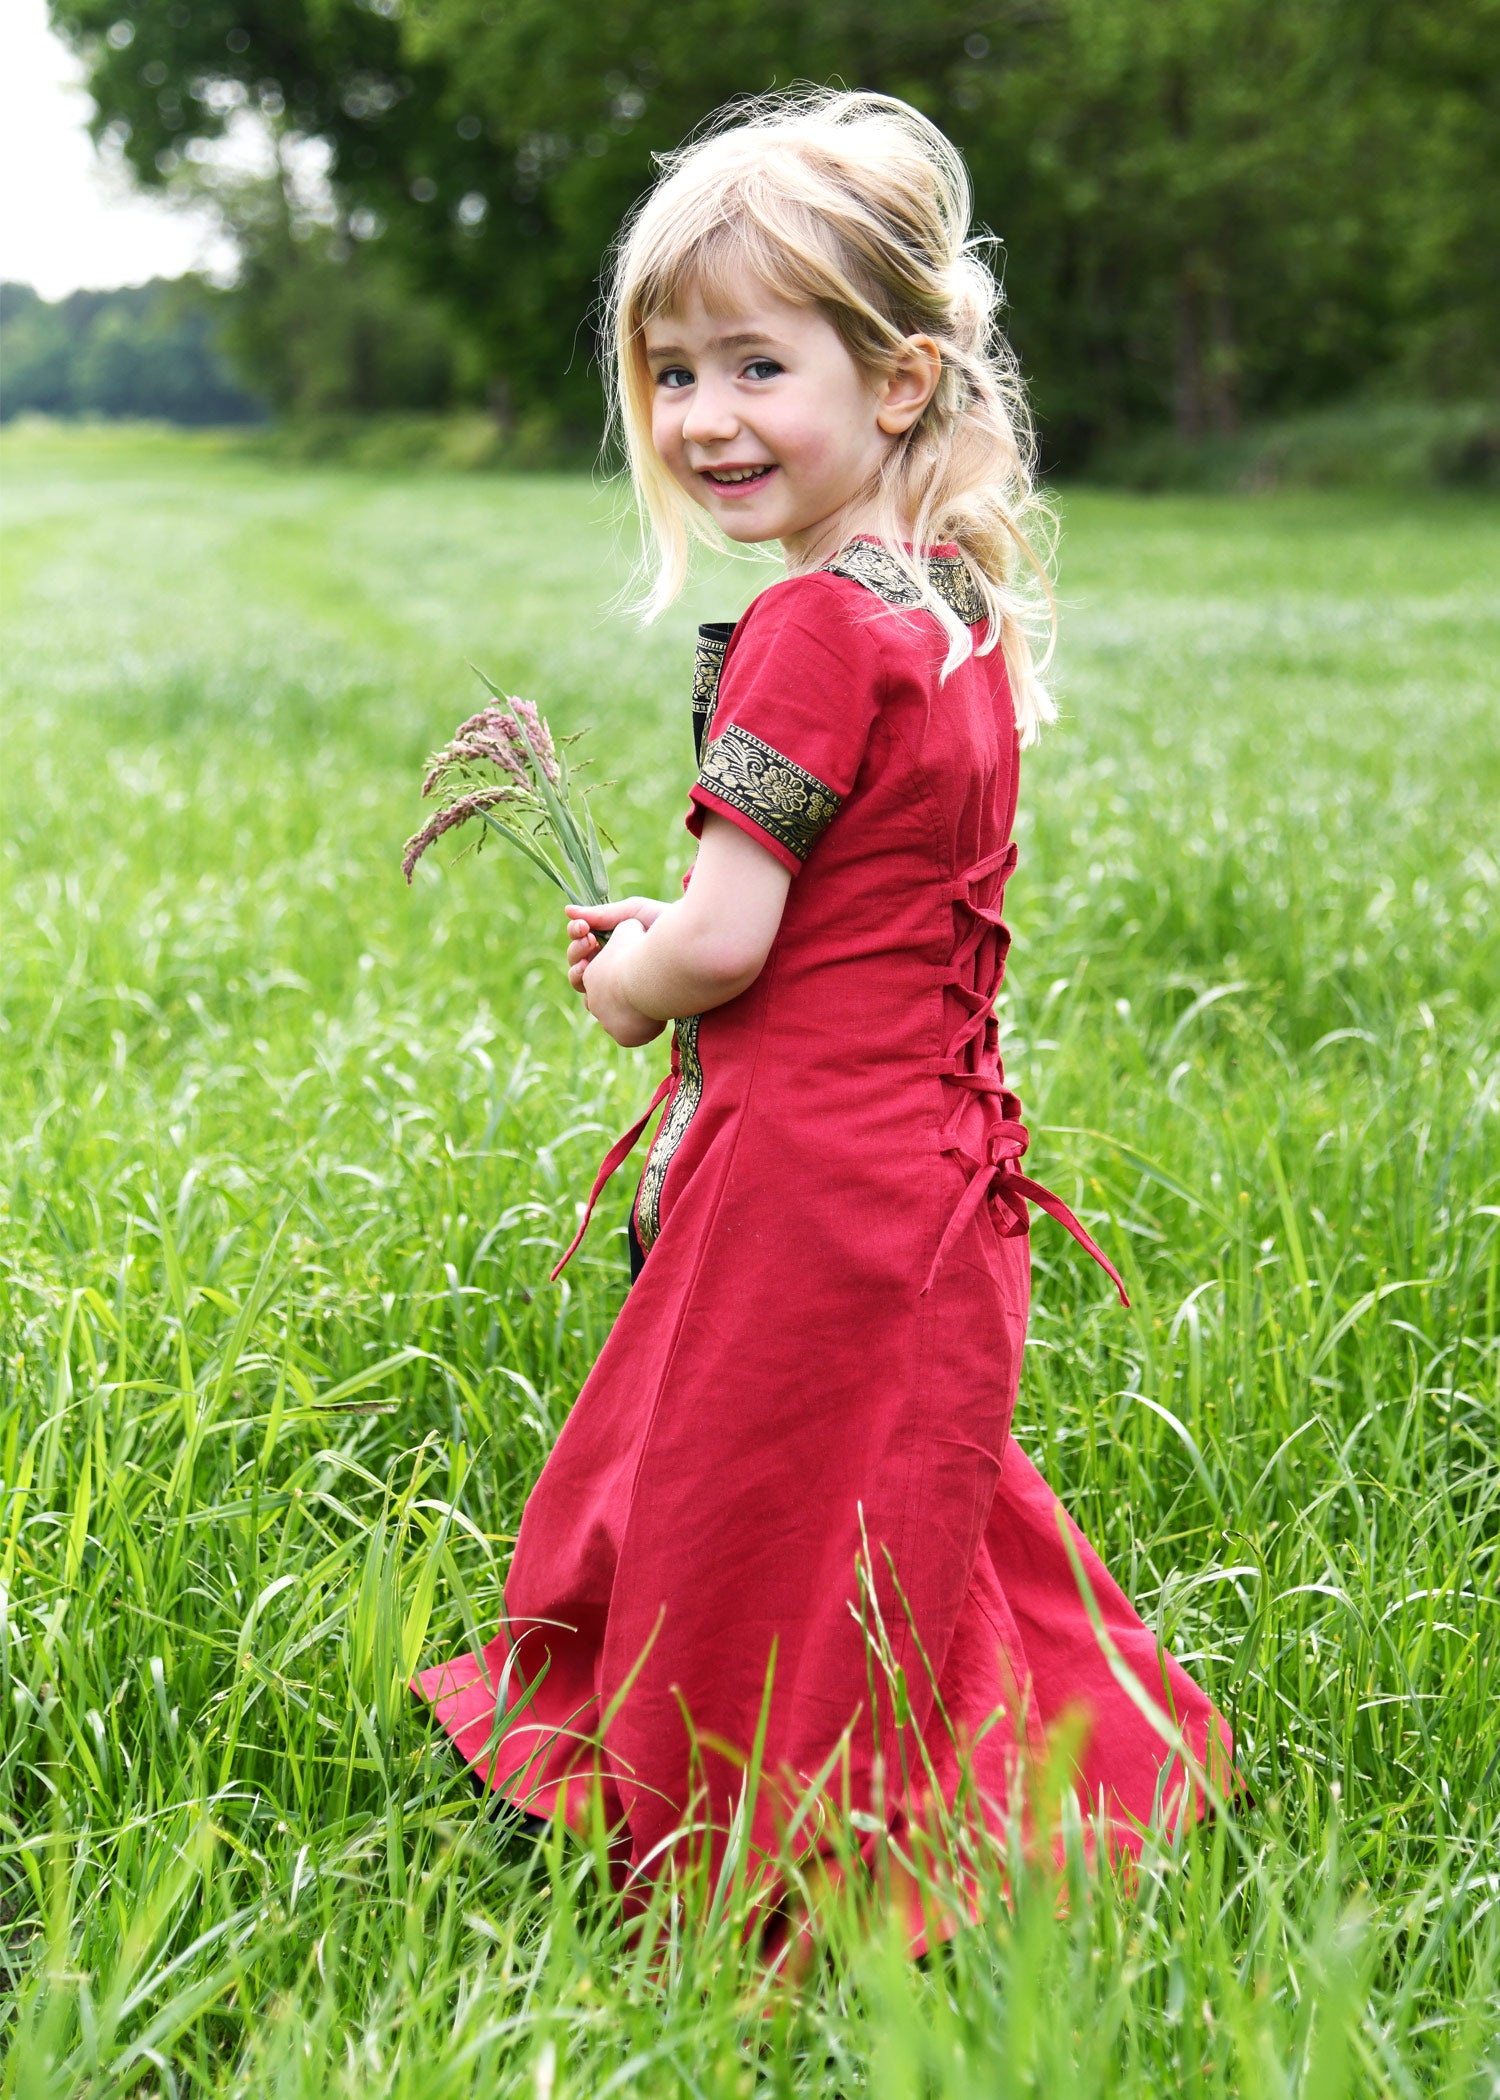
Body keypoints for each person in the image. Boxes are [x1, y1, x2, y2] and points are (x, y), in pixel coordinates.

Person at [415, 89, 1232, 1943]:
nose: (705, 418)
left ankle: (755, 1827)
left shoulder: (809, 629)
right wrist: (698, 930)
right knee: (907, 1484)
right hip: (935, 1163)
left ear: (895, 377)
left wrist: (631, 978)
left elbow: (723, 947)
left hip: (803, 1173)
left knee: (754, 1490)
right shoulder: (948, 612)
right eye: (674, 371)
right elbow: (859, 910)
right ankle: (1067, 1766)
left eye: (756, 365)